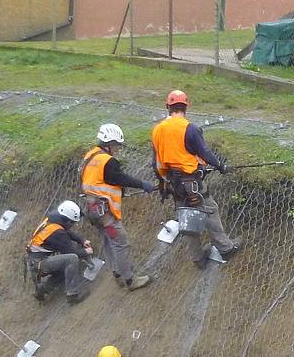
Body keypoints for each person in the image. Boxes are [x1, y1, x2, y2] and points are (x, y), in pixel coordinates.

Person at [150, 90, 241, 265]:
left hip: (173, 183)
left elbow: (155, 162)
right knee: (209, 209)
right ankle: (226, 248)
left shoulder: (157, 130)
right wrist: (220, 165)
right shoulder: (190, 128)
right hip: (191, 182)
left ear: (167, 107)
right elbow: (204, 152)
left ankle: (197, 258)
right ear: (186, 107)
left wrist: (162, 184)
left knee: (186, 216)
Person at [80, 123, 154, 292]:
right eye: (116, 145)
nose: (117, 149)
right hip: (105, 215)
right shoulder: (108, 161)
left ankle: (118, 274)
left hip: (92, 210)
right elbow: (120, 178)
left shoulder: (90, 156)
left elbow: (100, 182)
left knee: (108, 242)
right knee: (121, 243)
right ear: (109, 143)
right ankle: (130, 280)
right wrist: (142, 184)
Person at [26, 200, 95, 303]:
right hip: (39, 264)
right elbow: (72, 252)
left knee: (66, 267)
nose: (73, 225)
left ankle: (42, 289)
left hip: (34, 261)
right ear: (68, 220)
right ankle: (72, 295)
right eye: (73, 222)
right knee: (71, 259)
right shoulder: (57, 233)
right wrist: (86, 252)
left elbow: (65, 231)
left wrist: (81, 240)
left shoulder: (54, 217)